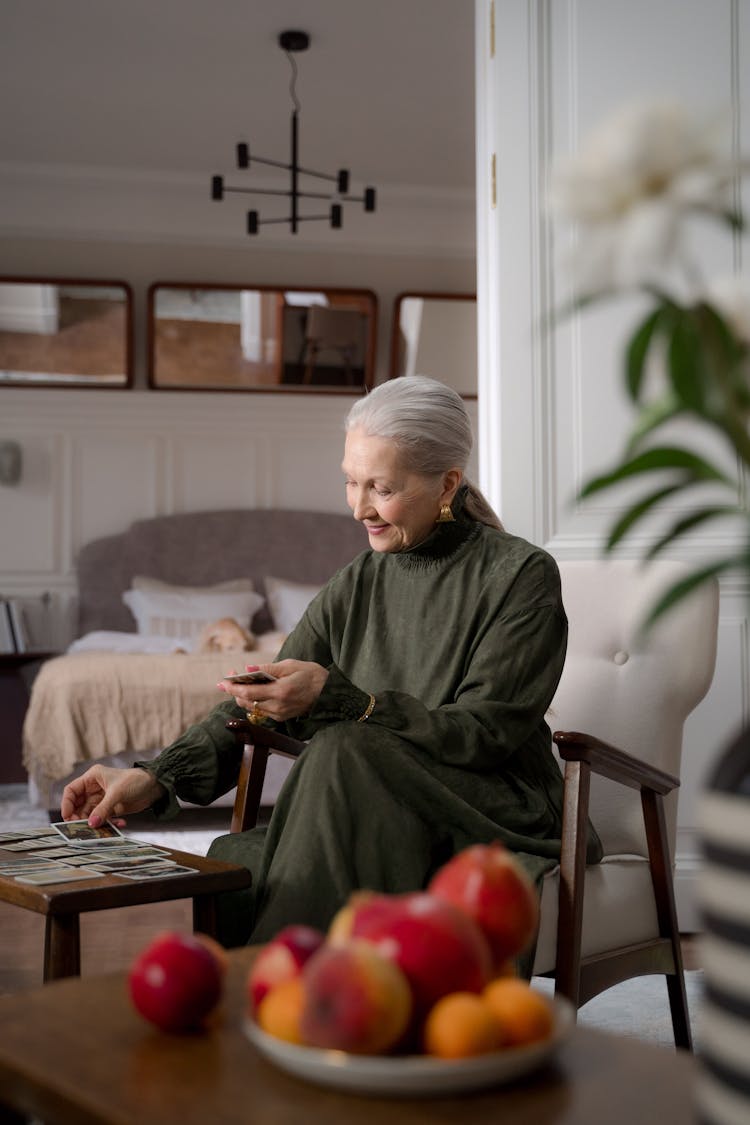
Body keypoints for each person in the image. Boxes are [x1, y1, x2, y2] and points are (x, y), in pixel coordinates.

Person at [61, 376, 602, 959]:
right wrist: (157, 776)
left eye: (381, 488)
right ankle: (303, 1004)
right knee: (238, 851)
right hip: (374, 797)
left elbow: (486, 735)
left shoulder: (521, 576)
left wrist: (350, 704)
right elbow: (262, 695)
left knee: (344, 748)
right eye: (350, 480)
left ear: (446, 484)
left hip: (495, 799)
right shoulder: (358, 581)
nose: (358, 507)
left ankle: (269, 998)